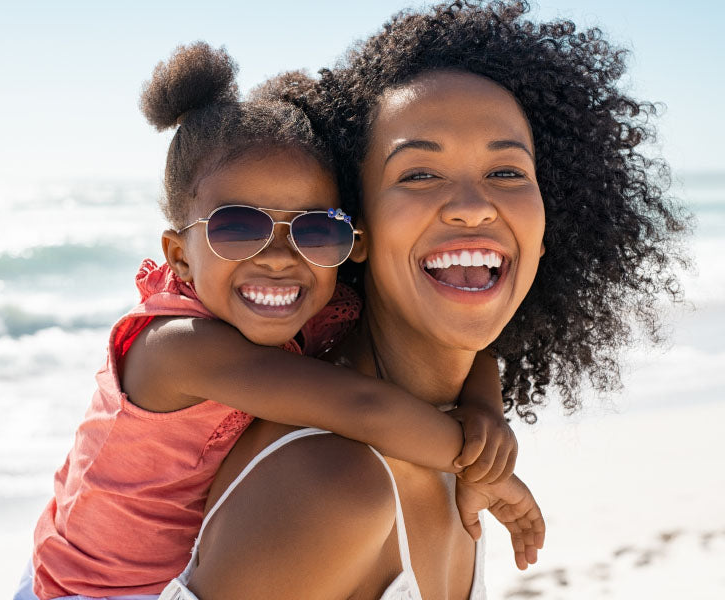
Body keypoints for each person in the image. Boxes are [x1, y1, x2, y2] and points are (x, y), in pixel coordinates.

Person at [160, 2, 689, 599]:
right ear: (354, 234)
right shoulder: (332, 486)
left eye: (508, 173)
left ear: (548, 230)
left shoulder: (456, 438)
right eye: (418, 174)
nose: (472, 205)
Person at [17, 42, 526, 600]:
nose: (281, 256)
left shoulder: (315, 309)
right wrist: (492, 473)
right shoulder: (177, 348)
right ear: (179, 255)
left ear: (352, 242)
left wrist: (484, 406)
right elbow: (363, 407)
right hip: (86, 589)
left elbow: (464, 345)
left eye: (315, 231)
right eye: (237, 228)